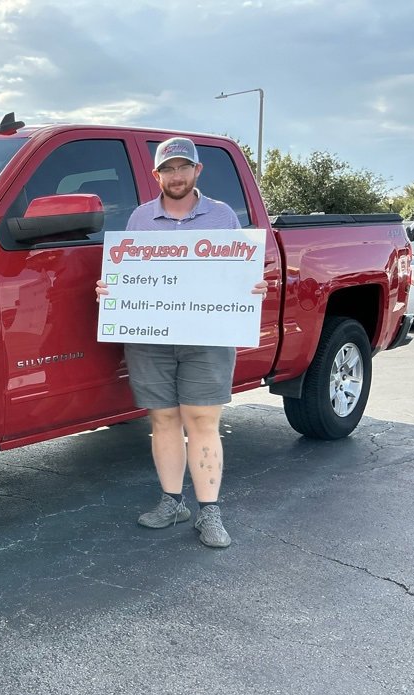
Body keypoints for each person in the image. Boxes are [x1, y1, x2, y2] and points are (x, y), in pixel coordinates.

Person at [95, 136, 267, 549]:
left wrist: (251, 285)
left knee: (202, 422)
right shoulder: (139, 220)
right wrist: (110, 288)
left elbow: (236, 273)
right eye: (168, 169)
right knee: (164, 420)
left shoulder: (223, 217)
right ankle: (173, 502)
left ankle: (210, 511)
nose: (176, 176)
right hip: (151, 337)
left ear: (197, 171)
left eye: (183, 167)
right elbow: (128, 272)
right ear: (157, 175)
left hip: (207, 337)